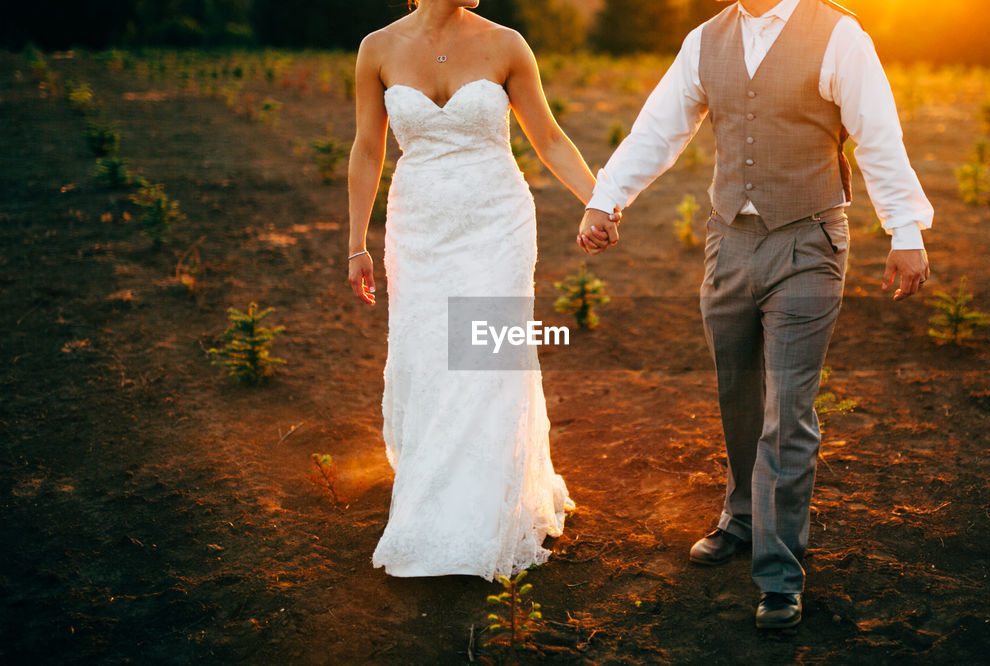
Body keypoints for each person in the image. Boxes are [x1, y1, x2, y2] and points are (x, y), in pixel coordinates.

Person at [577, 0, 934, 629]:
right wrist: (606, 200)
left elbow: (879, 134)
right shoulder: (706, 40)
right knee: (737, 391)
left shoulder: (838, 35)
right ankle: (741, 517)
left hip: (808, 241)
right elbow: (660, 128)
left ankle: (778, 573)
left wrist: (904, 229)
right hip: (728, 243)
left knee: (787, 411)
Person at [345, 0, 616, 580]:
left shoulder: (507, 44)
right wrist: (356, 243)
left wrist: (596, 200)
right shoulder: (378, 48)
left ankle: (482, 509)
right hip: (419, 228)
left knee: (487, 358)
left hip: (497, 222)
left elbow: (548, 137)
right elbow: (368, 148)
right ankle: (437, 491)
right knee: (431, 356)